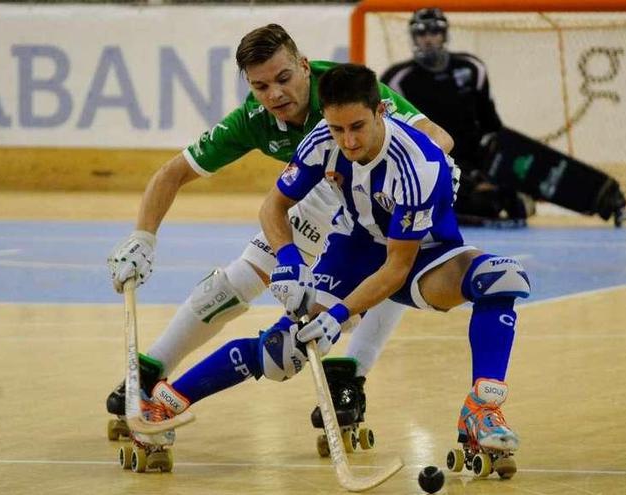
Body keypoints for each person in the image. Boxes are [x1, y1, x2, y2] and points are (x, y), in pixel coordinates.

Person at [137, 64, 529, 478]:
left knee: (503, 277)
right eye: (337, 129)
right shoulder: (323, 139)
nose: (349, 141)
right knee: (283, 351)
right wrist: (288, 258)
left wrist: (338, 316)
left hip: (424, 259)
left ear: (382, 111)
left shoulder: (418, 165)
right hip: (353, 250)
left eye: (357, 126)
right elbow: (273, 206)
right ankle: (166, 400)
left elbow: (396, 268)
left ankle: (482, 409)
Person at [105, 24, 454, 438]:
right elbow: (172, 174)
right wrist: (142, 238)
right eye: (260, 86)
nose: (274, 95)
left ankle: (349, 378)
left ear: (304, 67)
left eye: (283, 79)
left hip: (378, 195)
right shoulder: (254, 120)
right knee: (232, 285)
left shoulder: (345, 91)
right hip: (313, 197)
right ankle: (152, 369)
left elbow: (439, 138)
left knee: (393, 261)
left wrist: (390, 181)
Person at [380, 7, 532, 228]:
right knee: (480, 204)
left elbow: (492, 125)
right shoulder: (397, 79)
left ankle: (499, 193)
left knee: (513, 190)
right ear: (414, 37)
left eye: (434, 32)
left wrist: (494, 170)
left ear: (444, 34)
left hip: (474, 161)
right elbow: (391, 132)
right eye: (422, 33)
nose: (428, 39)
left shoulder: (471, 67)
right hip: (429, 162)